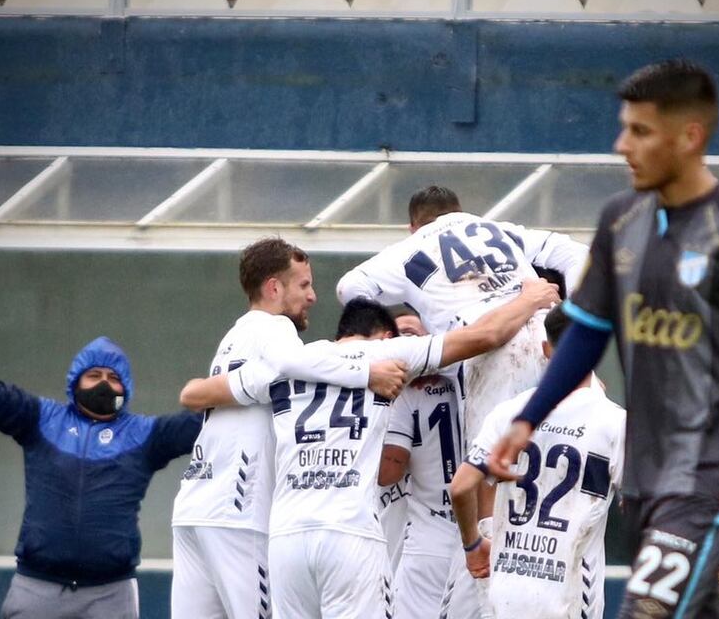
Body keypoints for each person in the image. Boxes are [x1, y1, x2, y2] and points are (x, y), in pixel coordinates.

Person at [489, 59, 719, 618]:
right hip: (645, 473)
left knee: (646, 610)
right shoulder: (621, 220)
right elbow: (586, 332)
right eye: (625, 128)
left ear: (690, 136)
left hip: (713, 472)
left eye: (640, 131)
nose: (622, 145)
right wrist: (529, 419)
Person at [179, 279, 560, 619]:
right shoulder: (389, 355)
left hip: (287, 539)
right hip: (351, 533)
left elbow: (195, 394)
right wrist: (530, 298)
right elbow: (485, 336)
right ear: (384, 336)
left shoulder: (292, 364)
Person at [169, 237, 406, 619]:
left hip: (194, 507)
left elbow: (194, 393)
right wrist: (368, 372)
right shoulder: (275, 328)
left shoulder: (235, 335)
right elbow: (294, 364)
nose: (312, 296)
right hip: (240, 512)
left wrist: (199, 391)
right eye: (304, 285)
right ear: (273, 288)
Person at [0, 302, 202, 619]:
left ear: (125, 387)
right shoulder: (40, 418)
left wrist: (242, 387)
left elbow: (205, 425)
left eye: (113, 377)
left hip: (110, 593)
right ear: (75, 381)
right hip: (37, 588)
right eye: (94, 375)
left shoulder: (145, 434)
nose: (104, 383)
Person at [336, 185, 589, 446]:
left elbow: (349, 287)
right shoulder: (498, 229)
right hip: (548, 337)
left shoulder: (406, 249)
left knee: (492, 460)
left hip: (487, 349)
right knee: (565, 449)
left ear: (412, 226)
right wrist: (568, 317)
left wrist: (400, 351)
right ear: (459, 211)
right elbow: (577, 254)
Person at [447, 305, 624, 619]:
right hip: (570, 596)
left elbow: (460, 487)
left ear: (545, 349)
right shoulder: (615, 422)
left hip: (506, 592)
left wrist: (472, 545)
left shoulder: (509, 413)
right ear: (595, 354)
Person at [378, 305, 464, 619]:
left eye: (412, 334)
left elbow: (388, 471)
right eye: (398, 336)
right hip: (467, 538)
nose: (406, 344)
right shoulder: (469, 382)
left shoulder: (406, 397)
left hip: (431, 539)